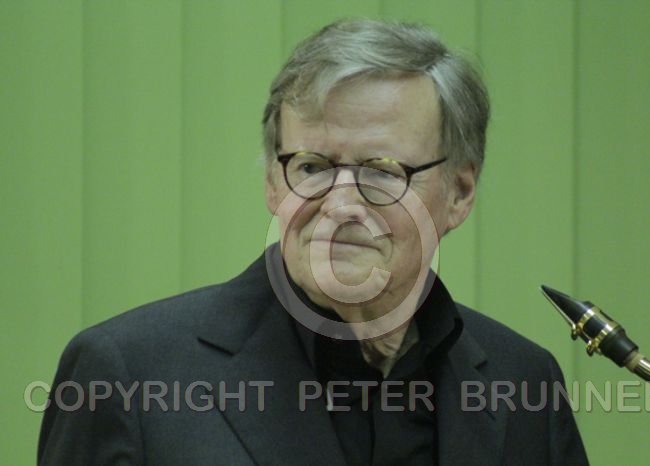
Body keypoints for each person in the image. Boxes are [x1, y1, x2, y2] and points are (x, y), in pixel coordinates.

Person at [38, 19, 588, 465]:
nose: (340, 204)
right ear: (272, 183)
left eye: (382, 172)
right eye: (312, 167)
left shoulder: (524, 381)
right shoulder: (127, 374)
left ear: (459, 193)